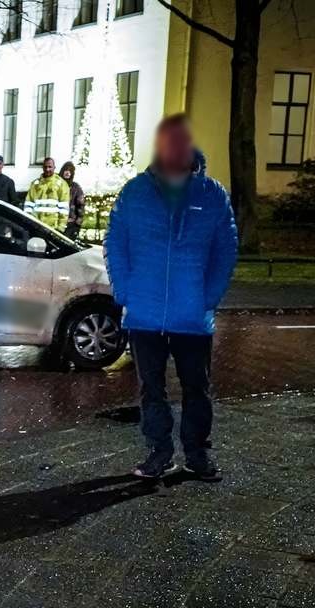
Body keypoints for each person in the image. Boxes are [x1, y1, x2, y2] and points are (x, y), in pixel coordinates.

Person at [104, 114, 238, 481]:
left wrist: (207, 298)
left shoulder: (211, 194)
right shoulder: (136, 191)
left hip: (192, 317)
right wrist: (125, 291)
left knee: (197, 389)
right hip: (144, 315)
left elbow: (225, 251)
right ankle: (158, 454)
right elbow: (116, 242)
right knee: (151, 391)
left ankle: (197, 455)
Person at [24, 157, 69, 230]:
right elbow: (28, 205)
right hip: (36, 226)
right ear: (42, 168)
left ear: (54, 167)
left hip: (53, 228)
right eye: (45, 167)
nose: (47, 169)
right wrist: (29, 224)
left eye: (50, 167)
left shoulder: (61, 184)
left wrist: (61, 227)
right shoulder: (35, 184)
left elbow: (64, 208)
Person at [59, 161, 85, 240]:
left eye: (70, 171)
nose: (67, 172)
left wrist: (78, 223)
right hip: (57, 223)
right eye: (66, 170)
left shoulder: (76, 187)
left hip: (70, 224)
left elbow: (81, 205)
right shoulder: (56, 185)